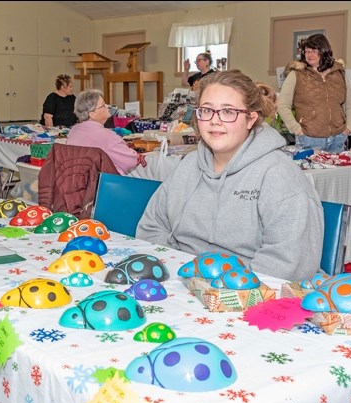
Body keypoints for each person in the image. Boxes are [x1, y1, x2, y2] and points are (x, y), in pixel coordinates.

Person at [136, 70, 324, 282]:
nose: (215, 121)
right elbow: (152, 227)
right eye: (207, 110)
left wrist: (218, 289)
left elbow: (289, 263)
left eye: (228, 112)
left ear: (251, 119)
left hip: (249, 290)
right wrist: (175, 273)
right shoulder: (188, 165)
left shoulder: (280, 177)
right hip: (180, 280)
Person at [276, 34, 351, 154]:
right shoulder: (296, 74)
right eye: (306, 51)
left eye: (313, 51)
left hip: (338, 138)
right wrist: (297, 130)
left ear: (324, 51)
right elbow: (282, 106)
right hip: (308, 139)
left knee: (337, 173)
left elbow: (349, 104)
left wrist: (349, 128)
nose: (309, 55)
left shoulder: (339, 73)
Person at [66, 89, 140, 174]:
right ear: (92, 114)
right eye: (103, 105)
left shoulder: (74, 131)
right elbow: (131, 161)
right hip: (105, 184)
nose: (108, 107)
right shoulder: (106, 136)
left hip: (79, 181)